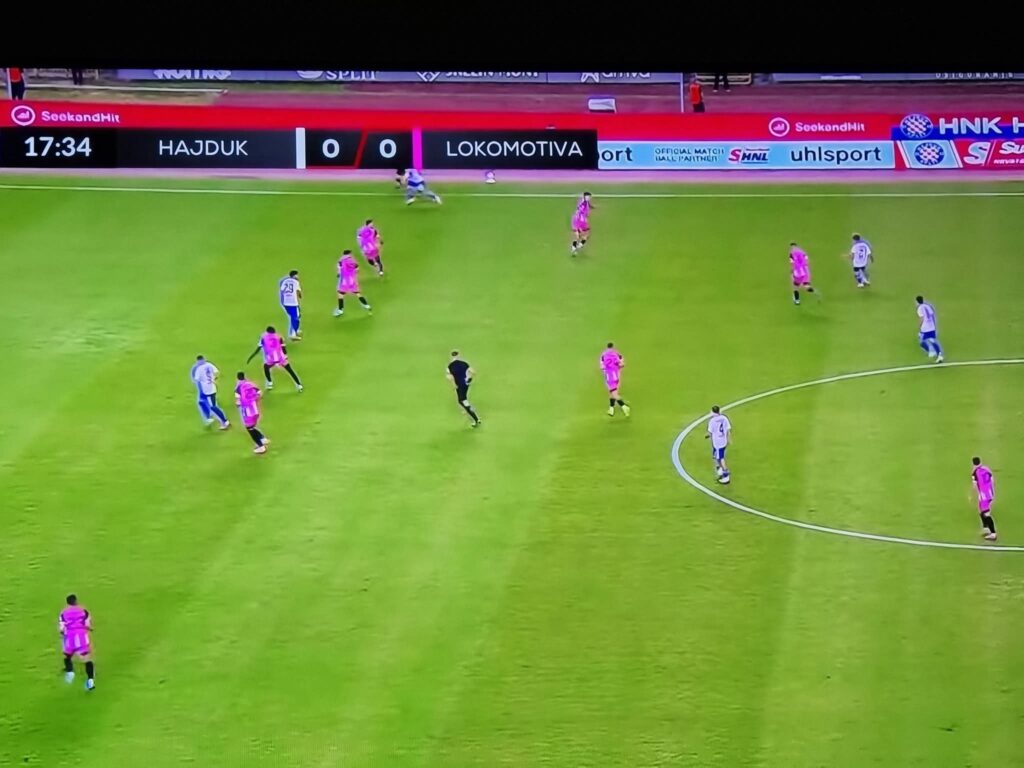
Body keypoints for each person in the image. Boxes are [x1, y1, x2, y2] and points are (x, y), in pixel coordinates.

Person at [247, 326, 303, 391]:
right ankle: (299, 385)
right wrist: (285, 356)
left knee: (266, 367)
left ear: (267, 331)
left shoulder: (263, 337)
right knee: (290, 370)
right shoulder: (279, 337)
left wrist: (251, 357)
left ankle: (269, 383)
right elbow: (283, 348)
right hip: (280, 358)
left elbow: (258, 348)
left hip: (270, 359)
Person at [59, 594, 95, 691]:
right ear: (76, 601)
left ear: (67, 603)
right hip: (81, 637)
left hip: (70, 637)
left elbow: (62, 628)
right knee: (86, 659)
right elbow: (87, 624)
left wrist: (62, 633)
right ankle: (90, 681)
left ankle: (70, 672)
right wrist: (90, 629)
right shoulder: (83, 611)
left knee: (67, 656)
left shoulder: (63, 613)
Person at [190, 355, 230, 430]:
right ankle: (209, 418)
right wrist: (214, 379)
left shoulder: (199, 369)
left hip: (207, 390)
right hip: (212, 388)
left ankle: (225, 421)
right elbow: (217, 372)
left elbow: (196, 380)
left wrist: (203, 380)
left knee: (213, 407)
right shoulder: (209, 364)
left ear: (198, 361)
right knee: (201, 402)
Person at [235, 372, 269, 454]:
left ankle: (261, 447)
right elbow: (259, 393)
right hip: (255, 409)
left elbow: (238, 401)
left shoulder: (238, 388)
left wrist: (239, 404)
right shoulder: (250, 384)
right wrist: (255, 400)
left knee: (249, 428)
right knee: (252, 427)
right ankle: (262, 438)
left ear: (237, 378)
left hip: (248, 412)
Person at [447, 350, 481, 427]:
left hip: (459, 385)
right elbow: (473, 372)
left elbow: (450, 377)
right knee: (463, 400)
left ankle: (476, 419)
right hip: (465, 384)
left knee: (462, 401)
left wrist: (454, 385)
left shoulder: (450, 366)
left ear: (451, 356)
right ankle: (470, 411)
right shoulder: (464, 363)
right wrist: (469, 379)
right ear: (458, 355)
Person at [334, 250, 372, 317]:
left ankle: (340, 310)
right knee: (358, 294)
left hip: (344, 281)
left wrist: (339, 274)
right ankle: (367, 305)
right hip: (352, 280)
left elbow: (339, 270)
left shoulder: (341, 261)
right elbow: (357, 269)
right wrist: (353, 273)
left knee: (340, 295)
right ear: (349, 254)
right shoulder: (352, 261)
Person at [600, 342, 630, 417]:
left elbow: (602, 367)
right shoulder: (617, 354)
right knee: (612, 393)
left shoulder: (603, 355)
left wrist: (606, 368)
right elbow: (622, 364)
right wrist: (617, 367)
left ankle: (624, 407)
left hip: (609, 376)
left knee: (614, 394)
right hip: (616, 376)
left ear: (607, 347)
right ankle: (611, 409)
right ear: (613, 347)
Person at [972, 457, 997, 540]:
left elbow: (975, 486)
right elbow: (992, 480)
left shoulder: (975, 473)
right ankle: (985, 528)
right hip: (990, 493)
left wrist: (975, 495)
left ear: (973, 463)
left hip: (984, 496)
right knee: (981, 511)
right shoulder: (986, 469)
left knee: (986, 514)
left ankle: (993, 533)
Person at [705, 406, 732, 484]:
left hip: (717, 443)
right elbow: (728, 430)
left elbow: (710, 432)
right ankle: (720, 469)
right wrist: (729, 439)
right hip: (723, 441)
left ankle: (726, 475)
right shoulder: (724, 418)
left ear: (713, 412)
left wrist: (707, 436)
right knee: (716, 456)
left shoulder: (712, 421)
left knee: (720, 458)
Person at [915, 296, 944, 363]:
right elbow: (932, 316)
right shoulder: (928, 306)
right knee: (932, 340)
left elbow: (922, 318)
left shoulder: (919, 308)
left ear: (917, 302)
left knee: (922, 342)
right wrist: (934, 325)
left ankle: (932, 352)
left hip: (925, 328)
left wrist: (919, 326)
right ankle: (938, 354)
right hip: (932, 326)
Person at [279, 270, 302, 340]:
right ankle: (292, 334)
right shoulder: (296, 282)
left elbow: (282, 291)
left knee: (295, 316)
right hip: (293, 303)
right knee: (295, 318)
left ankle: (295, 330)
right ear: (295, 275)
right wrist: (300, 296)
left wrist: (282, 301)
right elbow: (298, 292)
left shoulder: (284, 281)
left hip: (285, 302)